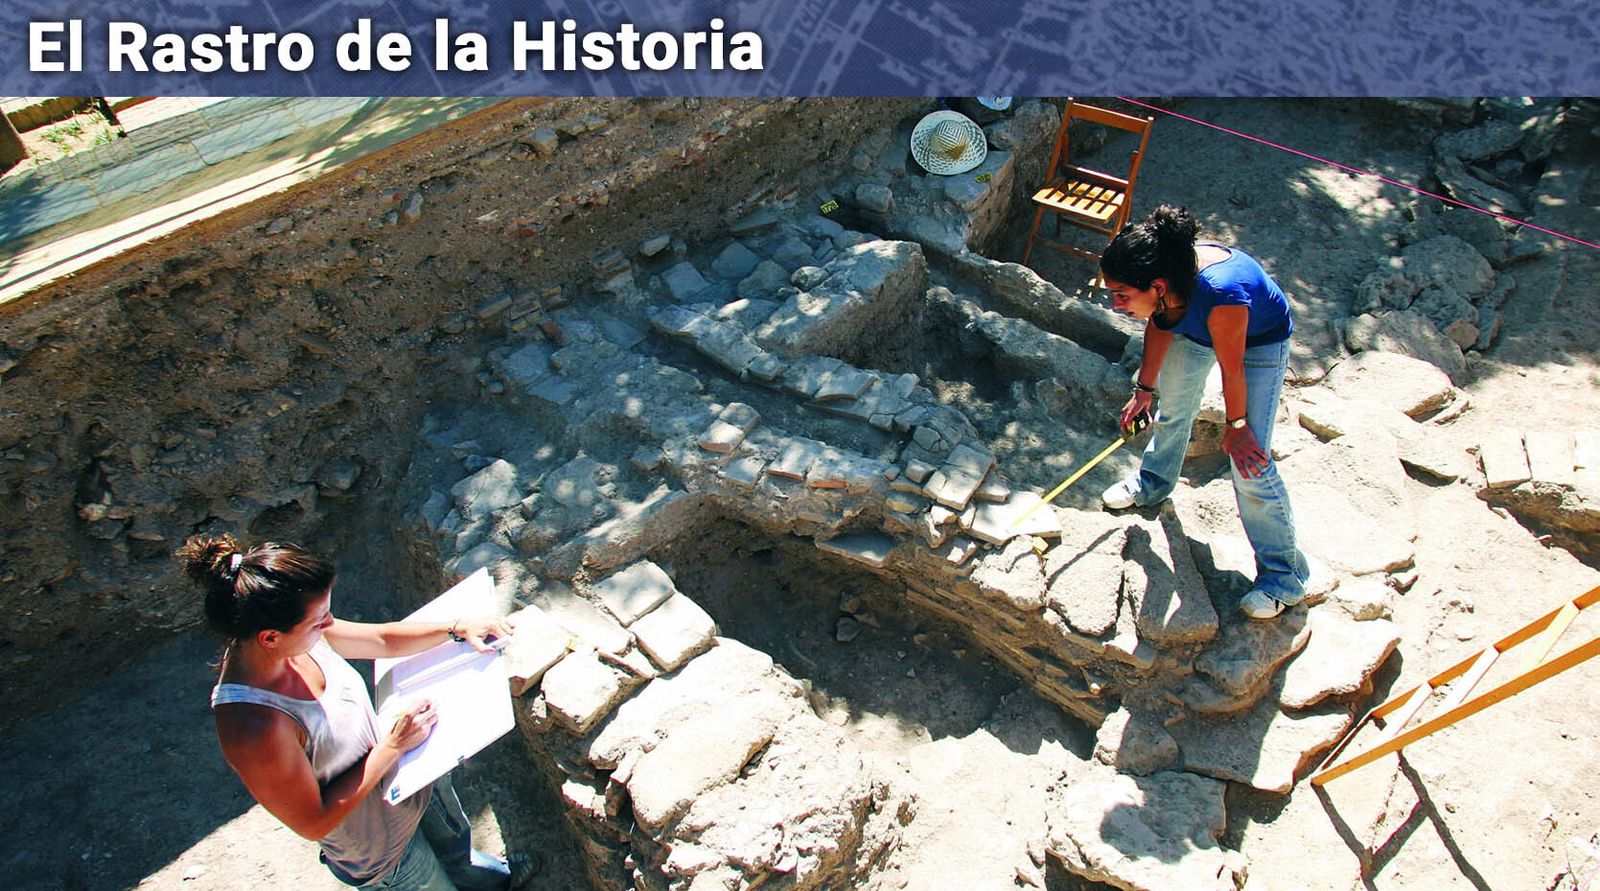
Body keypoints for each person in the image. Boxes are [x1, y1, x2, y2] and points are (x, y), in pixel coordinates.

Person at [177, 534, 538, 889]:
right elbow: (314, 822)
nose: (328, 624)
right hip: (382, 849)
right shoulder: (252, 727)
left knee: (459, 854)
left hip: (410, 782)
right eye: (319, 620)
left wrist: (456, 629)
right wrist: (392, 749)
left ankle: (493, 883)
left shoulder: (297, 637)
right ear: (270, 637)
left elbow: (381, 639)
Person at [1096, 205, 1312, 619]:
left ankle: (1285, 579)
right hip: (1196, 326)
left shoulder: (1222, 293)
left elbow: (1233, 368)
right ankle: (1153, 484)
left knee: (1250, 460)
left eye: (1122, 294)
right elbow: (1160, 324)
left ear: (1157, 286)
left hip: (1256, 342)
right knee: (1173, 407)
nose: (1116, 303)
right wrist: (1144, 390)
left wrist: (1238, 427)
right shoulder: (1166, 287)